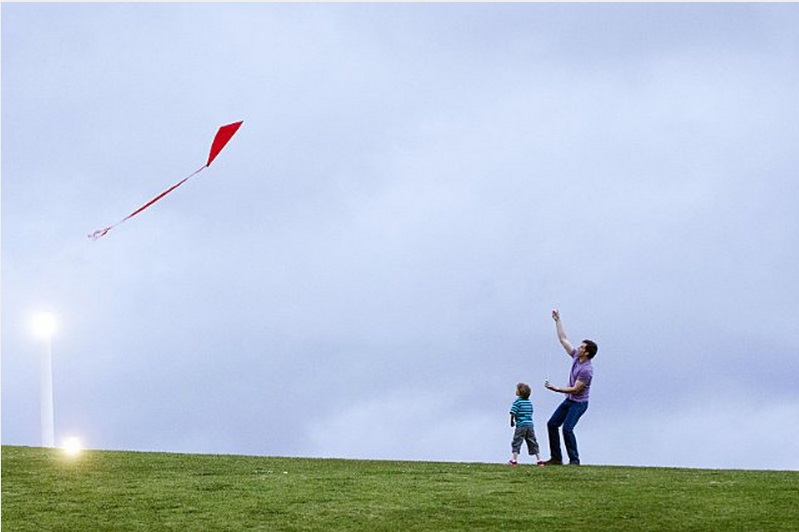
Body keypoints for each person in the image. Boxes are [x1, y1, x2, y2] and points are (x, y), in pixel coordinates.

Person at [543, 309, 597, 466]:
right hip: (569, 400)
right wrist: (557, 320)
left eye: (581, 347)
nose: (578, 348)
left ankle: (574, 460)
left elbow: (575, 389)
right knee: (552, 424)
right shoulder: (576, 357)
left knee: (567, 429)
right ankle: (556, 458)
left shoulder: (587, 370)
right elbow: (563, 339)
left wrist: (556, 389)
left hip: (579, 403)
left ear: (586, 353)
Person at [508, 382, 543, 467]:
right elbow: (531, 412)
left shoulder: (517, 402)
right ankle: (539, 460)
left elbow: (513, 413)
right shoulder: (529, 402)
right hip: (530, 425)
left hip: (521, 425)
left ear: (519, 392)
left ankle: (514, 460)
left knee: (517, 441)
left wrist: (512, 421)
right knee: (533, 441)